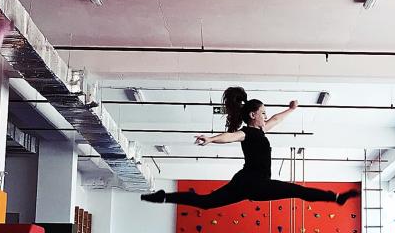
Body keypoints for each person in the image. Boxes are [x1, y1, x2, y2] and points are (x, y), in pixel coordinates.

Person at [141, 87, 360, 209]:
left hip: (251, 185)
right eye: (263, 113)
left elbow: (276, 119)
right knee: (296, 190)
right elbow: (230, 137)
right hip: (253, 182)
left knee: (207, 203)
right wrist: (211, 139)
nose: (266, 116)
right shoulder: (247, 132)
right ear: (253, 115)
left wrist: (291, 110)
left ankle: (164, 197)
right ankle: (335, 197)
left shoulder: (261, 130)